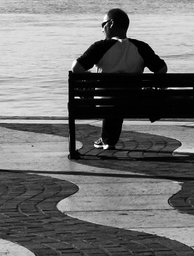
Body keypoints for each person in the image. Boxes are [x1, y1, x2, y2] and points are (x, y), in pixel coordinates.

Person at [70, 8, 167, 150]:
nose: (102, 29)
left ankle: (108, 140)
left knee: (109, 98)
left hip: (103, 103)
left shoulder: (100, 47)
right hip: (133, 103)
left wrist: (90, 76)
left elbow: (76, 68)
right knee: (121, 98)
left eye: (103, 25)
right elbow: (162, 69)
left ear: (111, 24)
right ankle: (108, 140)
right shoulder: (141, 47)